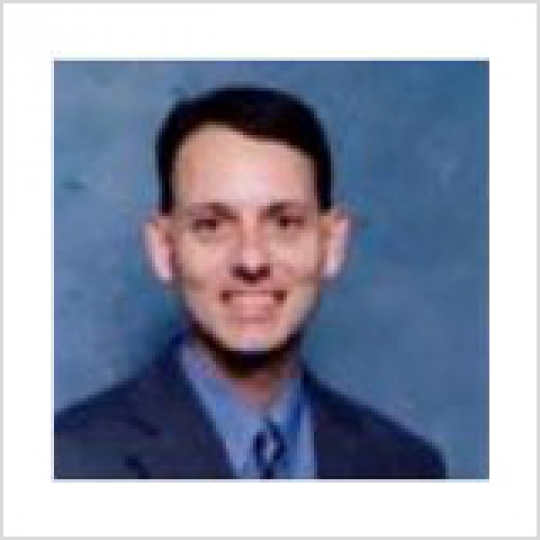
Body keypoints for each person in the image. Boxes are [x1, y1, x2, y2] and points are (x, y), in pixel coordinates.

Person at [54, 86, 446, 479]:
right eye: (211, 225)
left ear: (332, 244)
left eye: (285, 223)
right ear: (164, 248)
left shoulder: (408, 468)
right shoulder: (63, 463)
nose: (251, 260)